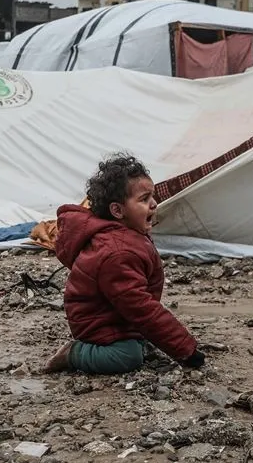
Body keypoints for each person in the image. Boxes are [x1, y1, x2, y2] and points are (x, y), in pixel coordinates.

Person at [44, 153, 205, 374]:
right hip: (97, 323)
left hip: (115, 314)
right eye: (144, 199)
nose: (154, 204)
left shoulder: (127, 236)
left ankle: (131, 338)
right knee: (127, 357)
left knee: (141, 342)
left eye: (153, 196)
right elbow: (141, 307)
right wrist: (185, 349)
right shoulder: (117, 252)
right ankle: (74, 353)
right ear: (117, 211)